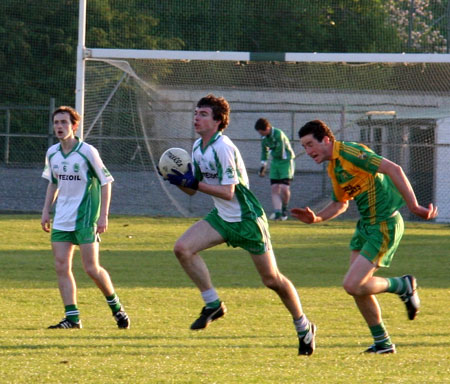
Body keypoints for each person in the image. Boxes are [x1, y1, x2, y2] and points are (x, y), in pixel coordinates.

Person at [161, 94, 315, 356]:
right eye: (196, 113)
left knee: (272, 280)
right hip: (221, 218)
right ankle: (213, 304)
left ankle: (304, 326)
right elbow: (194, 191)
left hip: (247, 220)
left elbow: (228, 192)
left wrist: (193, 183)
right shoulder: (198, 147)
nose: (196, 118)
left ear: (219, 121)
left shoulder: (224, 148)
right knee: (182, 248)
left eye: (203, 114)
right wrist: (177, 180)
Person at [292, 119, 438, 354]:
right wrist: (316, 218)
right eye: (305, 147)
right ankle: (383, 343)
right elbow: (340, 204)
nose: (308, 152)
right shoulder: (334, 167)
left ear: (327, 140)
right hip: (365, 227)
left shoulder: (350, 152)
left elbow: (393, 169)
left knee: (352, 284)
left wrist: (414, 205)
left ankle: (402, 285)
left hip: (384, 224)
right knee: (357, 288)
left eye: (310, 145)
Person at [41, 106, 130, 329]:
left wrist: (103, 216)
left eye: (64, 122)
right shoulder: (52, 152)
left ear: (74, 125)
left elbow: (106, 181)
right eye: (56, 123)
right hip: (62, 217)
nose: (59, 127)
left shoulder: (87, 151)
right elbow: (53, 182)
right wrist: (45, 210)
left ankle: (117, 308)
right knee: (61, 266)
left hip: (85, 217)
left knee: (91, 268)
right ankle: (72, 318)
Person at [255, 118, 296, 221]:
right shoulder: (264, 138)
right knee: (274, 188)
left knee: (284, 188)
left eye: (262, 132)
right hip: (275, 163)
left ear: (267, 128)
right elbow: (264, 152)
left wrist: (271, 151)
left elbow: (280, 152)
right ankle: (277, 213)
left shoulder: (278, 134)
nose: (261, 135)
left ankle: (284, 209)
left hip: (285, 162)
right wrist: (263, 166)